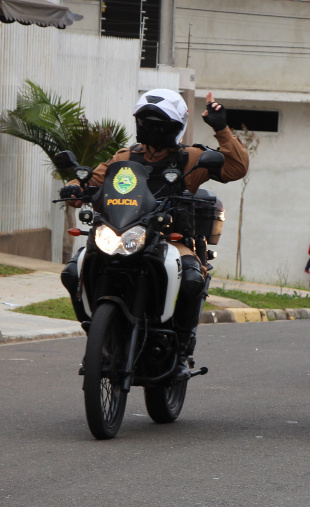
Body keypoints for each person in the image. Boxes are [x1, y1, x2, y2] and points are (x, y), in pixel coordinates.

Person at [59, 89, 250, 371]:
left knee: (191, 277)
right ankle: (97, 332)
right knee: (74, 270)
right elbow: (94, 183)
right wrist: (77, 188)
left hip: (170, 239)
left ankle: (182, 346)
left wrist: (221, 128)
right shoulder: (125, 158)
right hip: (122, 233)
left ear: (175, 127)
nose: (153, 130)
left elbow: (236, 168)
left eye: (160, 124)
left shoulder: (191, 157)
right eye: (147, 123)